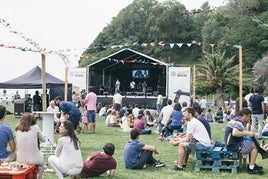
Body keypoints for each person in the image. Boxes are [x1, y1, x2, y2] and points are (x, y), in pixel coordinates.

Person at [224, 108, 264, 175]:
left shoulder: (236, 119)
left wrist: (247, 133)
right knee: (254, 146)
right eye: (249, 116)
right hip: (233, 146)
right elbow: (235, 133)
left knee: (250, 141)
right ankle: (251, 168)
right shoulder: (238, 122)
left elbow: (238, 132)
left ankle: (252, 164)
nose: (249, 118)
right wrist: (248, 133)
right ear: (244, 115)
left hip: (230, 143)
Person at [15, 113, 46, 179]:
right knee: (42, 163)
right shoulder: (35, 127)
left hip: (20, 159)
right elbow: (43, 140)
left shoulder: (17, 129)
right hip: (34, 159)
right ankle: (39, 177)